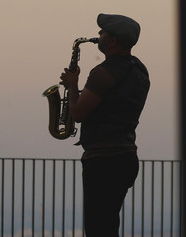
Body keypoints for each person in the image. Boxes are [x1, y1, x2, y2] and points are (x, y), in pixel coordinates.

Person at [60, 13, 150, 237]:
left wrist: (72, 86)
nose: (98, 35)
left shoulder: (103, 73)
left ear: (112, 41)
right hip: (126, 157)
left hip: (103, 160)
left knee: (98, 228)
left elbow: (79, 113)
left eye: (103, 32)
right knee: (109, 224)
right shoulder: (140, 70)